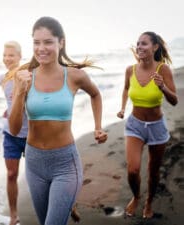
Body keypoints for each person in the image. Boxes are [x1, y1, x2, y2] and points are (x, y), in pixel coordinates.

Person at [9, 17, 108, 225]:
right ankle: (67, 204)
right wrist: (19, 92)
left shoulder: (74, 76)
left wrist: (97, 127)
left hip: (65, 163)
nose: (41, 48)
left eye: (47, 42)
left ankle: (66, 200)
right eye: (36, 42)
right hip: (34, 163)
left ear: (60, 42)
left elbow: (95, 95)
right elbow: (15, 128)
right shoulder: (25, 77)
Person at [117, 31, 178, 219]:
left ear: (155, 47)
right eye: (138, 43)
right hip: (135, 124)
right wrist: (122, 107)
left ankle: (149, 201)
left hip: (156, 127)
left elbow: (174, 100)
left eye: (144, 43)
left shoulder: (163, 70)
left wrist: (162, 88)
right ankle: (136, 197)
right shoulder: (130, 70)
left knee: (153, 171)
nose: (139, 47)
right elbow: (127, 88)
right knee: (132, 169)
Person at [0, 41, 28, 225]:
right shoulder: (1, 79)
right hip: (11, 135)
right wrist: (7, 110)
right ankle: (13, 215)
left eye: (11, 55)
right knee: (11, 175)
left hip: (31, 135)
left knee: (37, 176)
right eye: (5, 55)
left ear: (19, 56)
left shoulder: (27, 75)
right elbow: (11, 101)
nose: (7, 59)